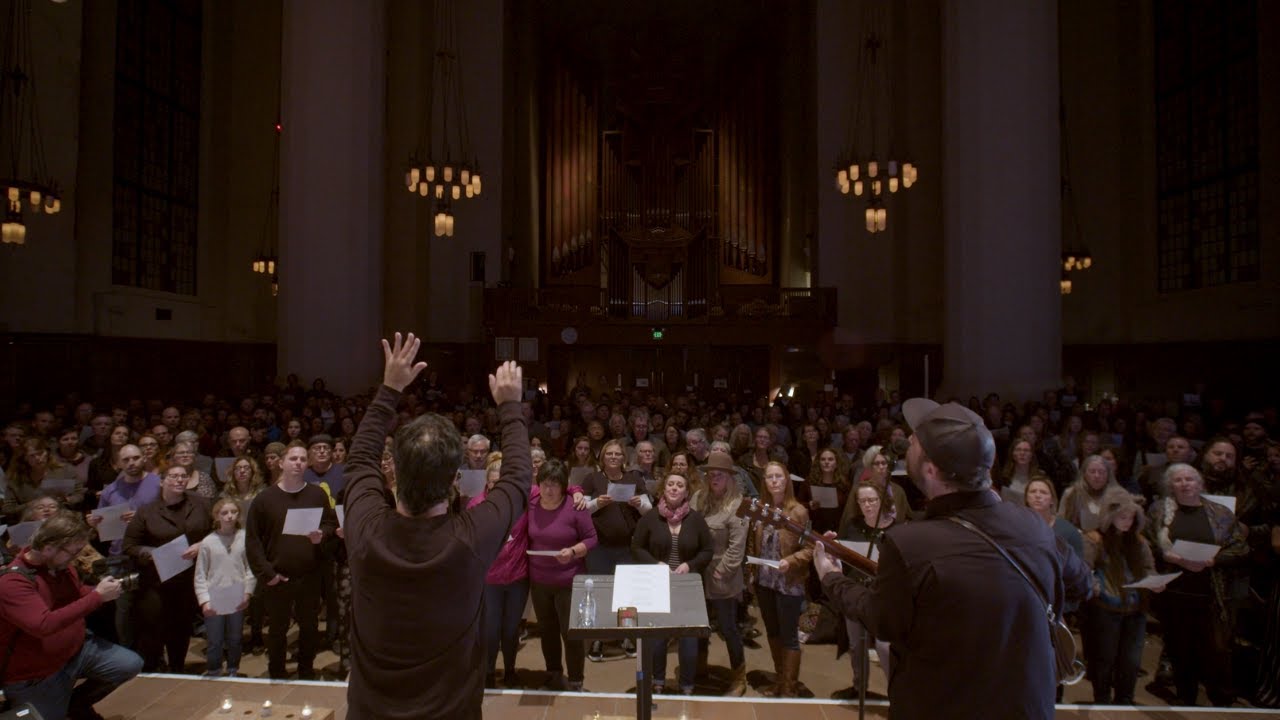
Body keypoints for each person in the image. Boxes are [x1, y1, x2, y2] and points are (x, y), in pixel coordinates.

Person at [814, 399, 1073, 720]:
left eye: (915, 443)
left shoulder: (910, 543)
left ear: (931, 469)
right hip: (1025, 706)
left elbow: (882, 620)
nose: (907, 443)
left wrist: (831, 578)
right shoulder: (1035, 526)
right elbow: (1080, 584)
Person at [342, 334, 534, 718]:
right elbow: (517, 480)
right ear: (454, 482)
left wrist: (390, 389)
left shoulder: (365, 530)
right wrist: (510, 407)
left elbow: (360, 460)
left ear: (394, 472)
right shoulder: (470, 538)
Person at [0, 511, 142, 720]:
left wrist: (103, 591)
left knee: (129, 664)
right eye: (73, 552)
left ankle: (75, 705)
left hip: (76, 652)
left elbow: (75, 596)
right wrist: (96, 597)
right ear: (48, 547)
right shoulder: (12, 582)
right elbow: (43, 624)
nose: (76, 557)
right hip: (36, 674)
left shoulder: (60, 566)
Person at [1144, 462, 1248, 706]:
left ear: (1200, 483)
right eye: (1178, 480)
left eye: (1190, 479)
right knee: (1180, 650)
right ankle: (1186, 698)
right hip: (1173, 593)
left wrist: (1214, 560)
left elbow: (1241, 548)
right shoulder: (1159, 510)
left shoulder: (1220, 513)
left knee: (1216, 653)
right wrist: (1167, 556)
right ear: (1171, 485)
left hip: (1212, 594)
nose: (1184, 484)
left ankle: (1222, 701)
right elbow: (1146, 544)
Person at [244, 440, 337, 680]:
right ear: (281, 463)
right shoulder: (264, 499)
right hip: (278, 576)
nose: (298, 463)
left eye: (303, 459)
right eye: (293, 459)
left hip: (309, 575)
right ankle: (276, 671)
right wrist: (267, 574)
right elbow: (253, 541)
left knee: (309, 627)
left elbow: (330, 524)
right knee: (277, 630)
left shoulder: (317, 494)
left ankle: (306, 670)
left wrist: (322, 535)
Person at [122, 463, 213, 672]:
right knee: (153, 630)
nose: (180, 480)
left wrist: (203, 544)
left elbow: (217, 531)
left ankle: (178, 669)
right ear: (162, 481)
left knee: (181, 628)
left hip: (189, 578)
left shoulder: (201, 504)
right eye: (174, 476)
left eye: (183, 476)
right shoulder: (147, 511)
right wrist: (151, 553)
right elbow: (129, 545)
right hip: (156, 580)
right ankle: (153, 671)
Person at [632, 473, 713, 695]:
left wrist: (690, 564)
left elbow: (708, 550)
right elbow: (637, 547)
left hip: (687, 587)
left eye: (680, 485)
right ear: (663, 489)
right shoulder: (649, 518)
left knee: (688, 638)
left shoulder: (696, 519)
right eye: (670, 484)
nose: (675, 488)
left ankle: (687, 684)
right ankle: (658, 680)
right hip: (658, 585)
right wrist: (656, 564)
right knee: (658, 637)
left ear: (687, 492)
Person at [1081, 487, 1163, 705]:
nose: (1127, 522)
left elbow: (1148, 567)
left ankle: (1125, 700)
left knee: (1131, 661)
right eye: (1123, 517)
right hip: (1106, 608)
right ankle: (1102, 700)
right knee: (1104, 659)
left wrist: (1155, 582)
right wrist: (1096, 588)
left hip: (1135, 609)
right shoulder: (1094, 540)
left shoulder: (1139, 542)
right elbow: (1083, 570)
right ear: (1110, 516)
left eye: (1131, 517)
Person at [749, 460, 813, 698]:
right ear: (764, 482)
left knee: (789, 636)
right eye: (769, 477)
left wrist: (791, 561)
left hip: (788, 583)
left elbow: (809, 549)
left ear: (786, 480)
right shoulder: (762, 509)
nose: (774, 481)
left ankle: (789, 687)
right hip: (765, 581)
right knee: (773, 633)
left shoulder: (798, 511)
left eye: (778, 476)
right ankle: (780, 681)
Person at [689, 451, 749, 695]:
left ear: (729, 477)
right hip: (698, 574)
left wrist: (722, 571)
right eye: (711, 474)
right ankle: (700, 668)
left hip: (723, 576)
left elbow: (737, 546)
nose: (714, 478)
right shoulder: (698, 498)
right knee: (700, 625)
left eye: (719, 475)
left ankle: (739, 677)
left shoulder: (737, 505)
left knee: (728, 627)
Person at [194, 497, 255, 677]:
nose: (229, 516)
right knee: (214, 639)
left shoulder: (244, 537)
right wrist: (204, 601)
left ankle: (233, 669)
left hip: (237, 595)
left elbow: (250, 568)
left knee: (235, 637)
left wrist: (248, 593)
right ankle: (214, 669)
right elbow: (200, 575)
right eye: (224, 513)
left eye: (233, 512)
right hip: (215, 597)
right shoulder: (208, 542)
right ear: (216, 516)